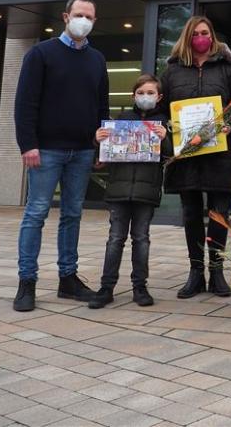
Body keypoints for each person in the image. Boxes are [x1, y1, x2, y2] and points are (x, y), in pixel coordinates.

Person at [13, 0, 108, 312]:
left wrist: (102, 147)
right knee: (36, 213)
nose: (84, 21)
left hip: (82, 151)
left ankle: (68, 279)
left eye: (89, 17)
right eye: (79, 14)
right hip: (46, 150)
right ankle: (27, 281)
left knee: (72, 214)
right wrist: (28, 144)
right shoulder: (41, 54)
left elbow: (102, 107)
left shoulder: (97, 60)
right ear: (66, 17)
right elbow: (25, 103)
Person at [161, 16, 231, 299]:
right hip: (187, 155)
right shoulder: (172, 71)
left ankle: (217, 271)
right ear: (188, 37)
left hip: (219, 154)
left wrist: (230, 123)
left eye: (206, 33)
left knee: (219, 213)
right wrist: (168, 127)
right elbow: (162, 110)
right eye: (196, 33)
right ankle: (196, 272)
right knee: (190, 214)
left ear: (212, 36)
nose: (202, 38)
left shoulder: (228, 68)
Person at [88, 74, 171, 309]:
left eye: (150, 93)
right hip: (119, 189)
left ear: (159, 97)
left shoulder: (164, 123)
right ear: (133, 96)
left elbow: (171, 155)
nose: (145, 97)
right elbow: (103, 157)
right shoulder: (121, 119)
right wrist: (97, 140)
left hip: (147, 191)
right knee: (115, 238)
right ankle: (106, 287)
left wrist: (165, 139)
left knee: (141, 239)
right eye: (141, 93)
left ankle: (140, 287)